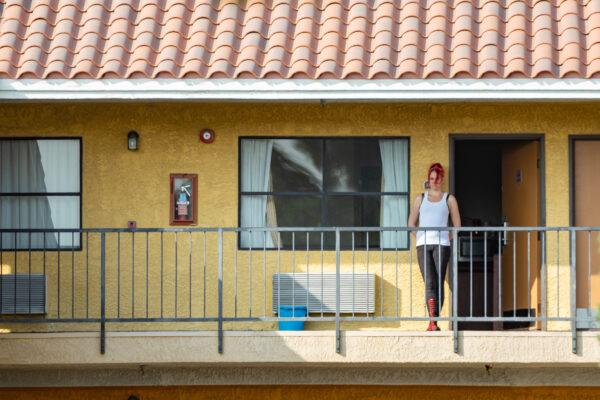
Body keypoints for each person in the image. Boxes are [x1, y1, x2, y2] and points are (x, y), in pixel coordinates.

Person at [407, 163, 461, 331]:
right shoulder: (420, 198)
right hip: (423, 246)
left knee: (438, 282)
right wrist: (420, 236)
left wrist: (447, 237)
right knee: (429, 282)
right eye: (431, 179)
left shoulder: (449, 199)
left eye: (437, 179)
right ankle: (431, 321)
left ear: (442, 179)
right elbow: (411, 224)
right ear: (428, 179)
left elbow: (457, 225)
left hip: (442, 246)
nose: (434, 182)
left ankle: (434, 321)